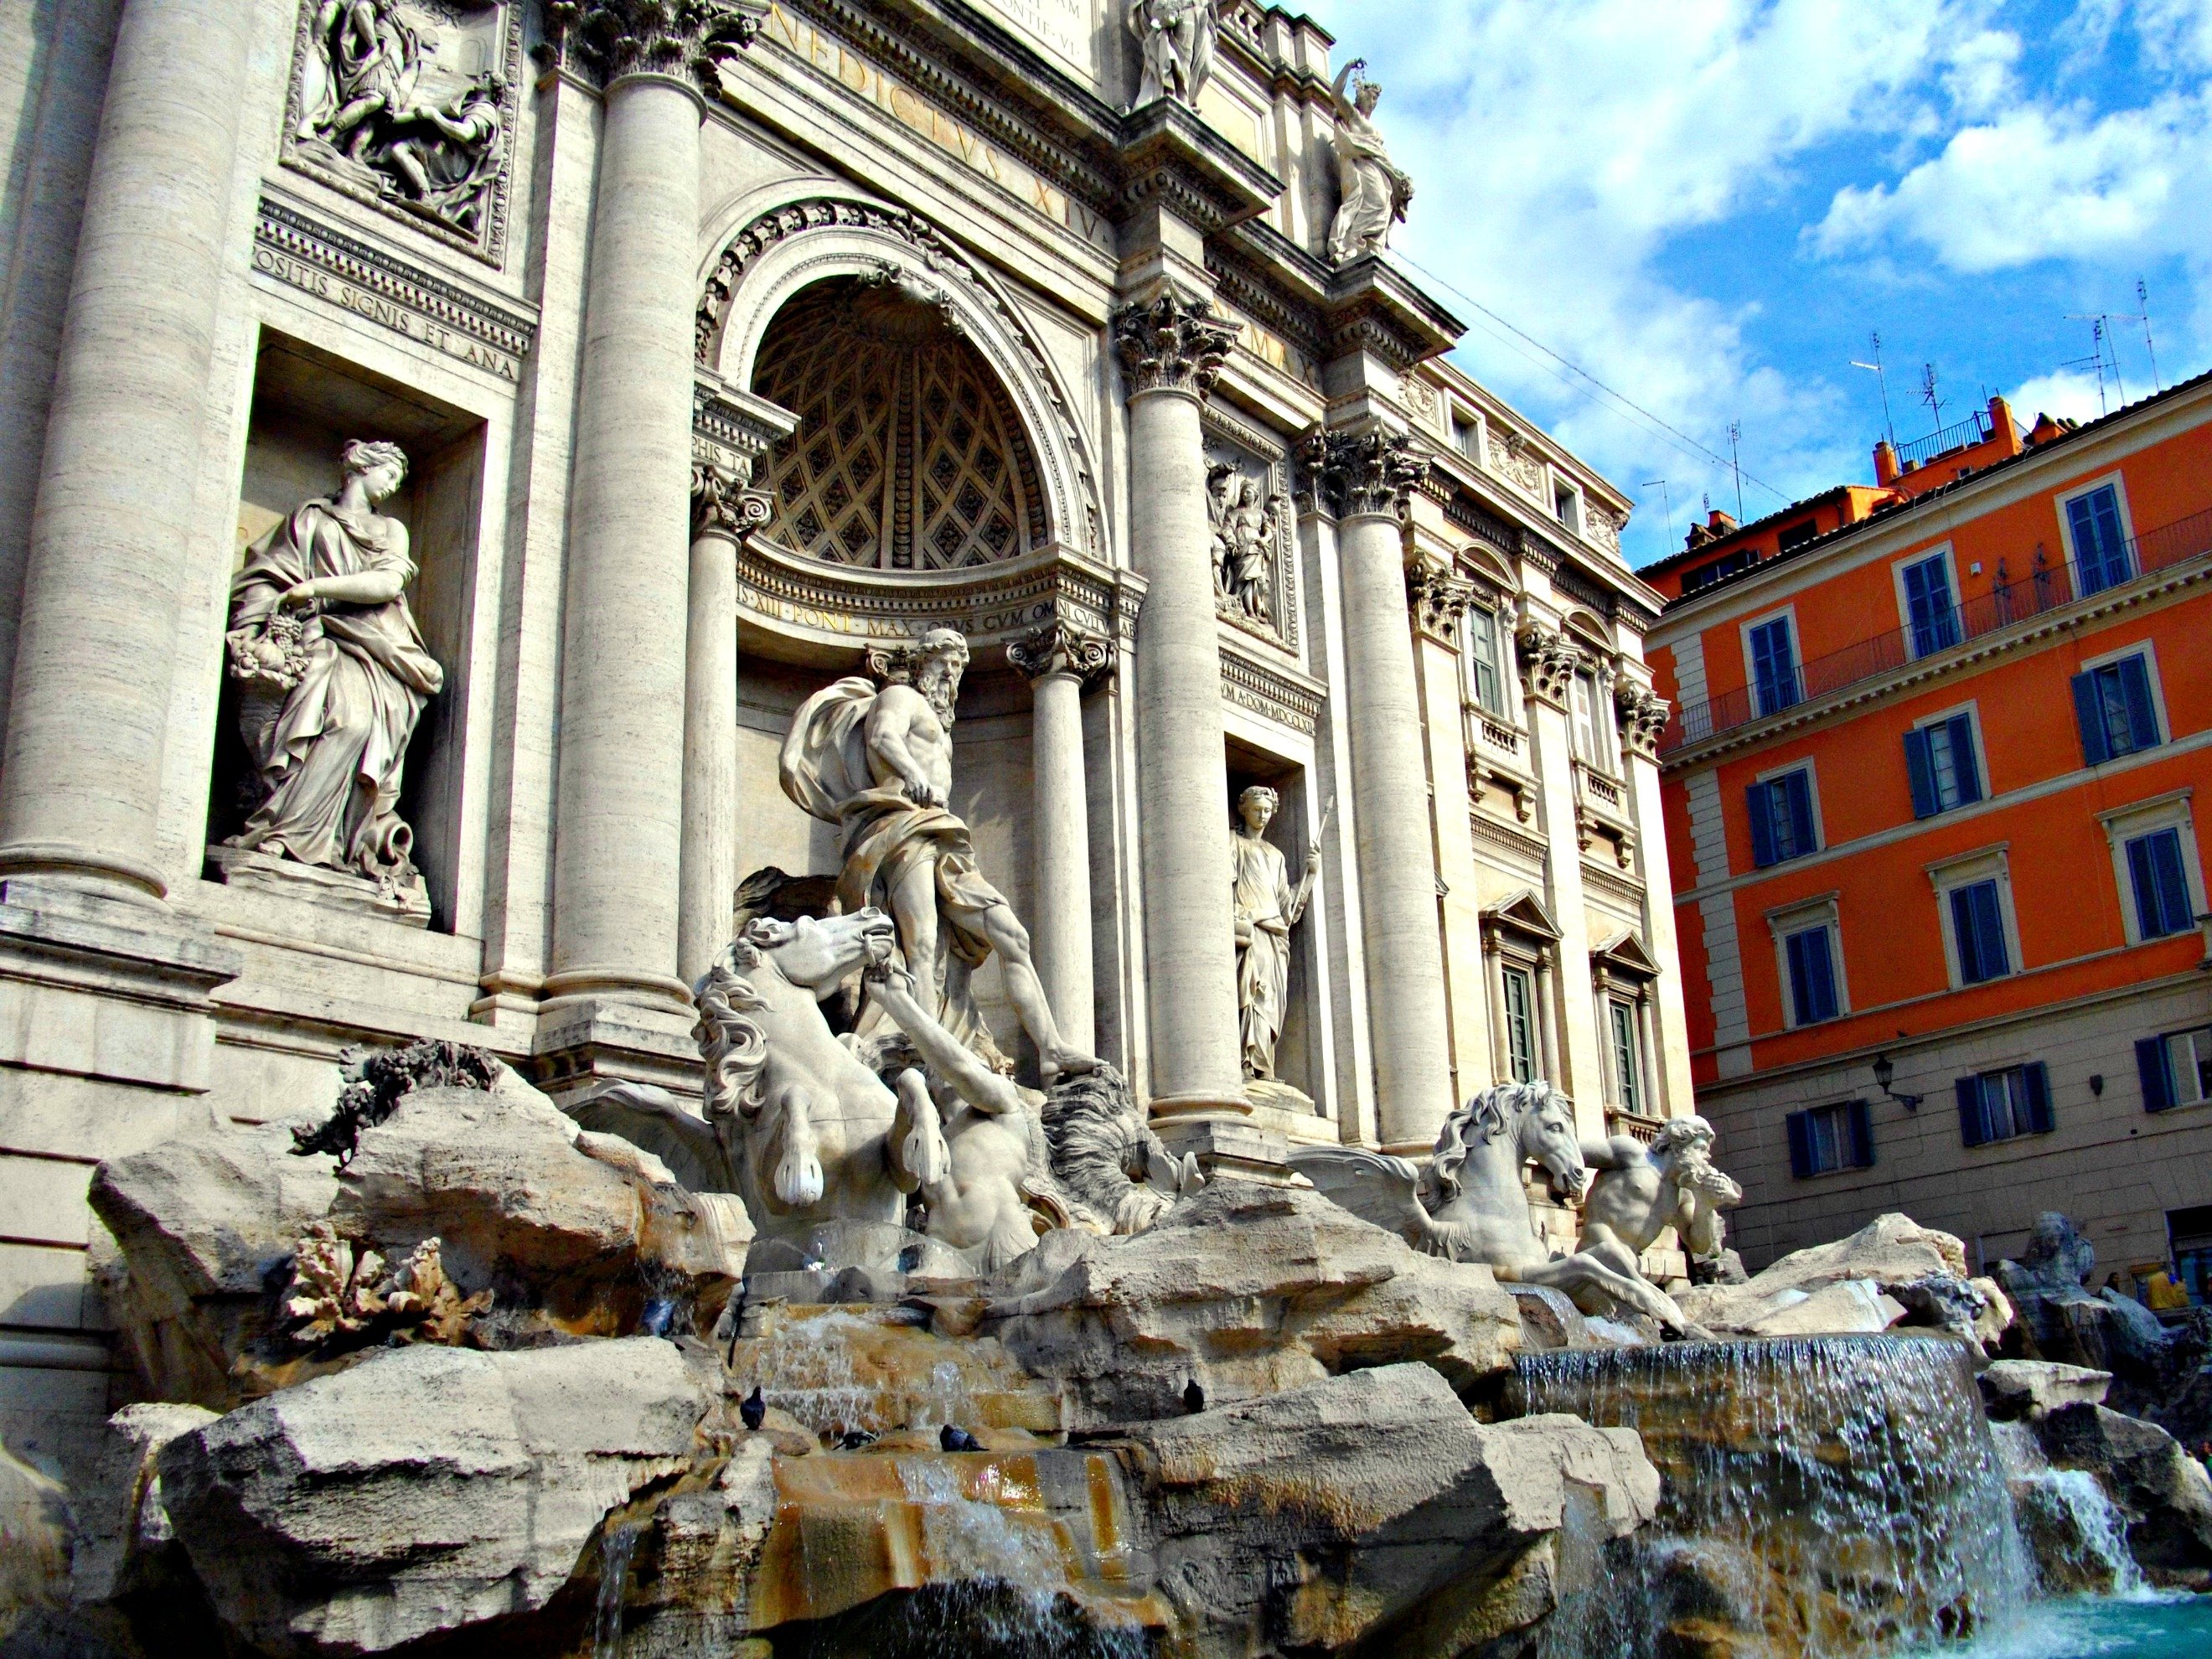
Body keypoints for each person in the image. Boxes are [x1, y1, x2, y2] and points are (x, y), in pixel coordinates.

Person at [781, 628, 1097, 1079]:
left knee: (1010, 932)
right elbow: (882, 739)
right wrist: (911, 774)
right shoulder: (900, 698)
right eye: (943, 663)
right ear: (921, 663)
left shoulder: (938, 722)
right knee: (921, 944)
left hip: (942, 835)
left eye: (957, 667)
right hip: (903, 826)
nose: (951, 674)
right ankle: (928, 1052)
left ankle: (1051, 1048)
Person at [225, 440, 442, 887]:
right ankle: (285, 832)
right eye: (390, 473)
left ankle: (324, 841)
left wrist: (315, 588)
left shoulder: (392, 531)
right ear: (362, 468)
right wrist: (265, 617)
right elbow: (269, 574)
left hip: (376, 645)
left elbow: (386, 582)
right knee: (315, 715)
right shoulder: (309, 519)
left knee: (355, 725)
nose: (395, 483)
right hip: (314, 636)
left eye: (401, 478)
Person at [1230, 785, 1317, 1081]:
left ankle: (1263, 1065)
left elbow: (1287, 907)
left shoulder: (1276, 855)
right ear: (1244, 809)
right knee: (1250, 995)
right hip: (1251, 930)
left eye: (1267, 810)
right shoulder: (1235, 843)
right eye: (1257, 809)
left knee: (1269, 1003)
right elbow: (1224, 884)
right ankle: (1244, 1061)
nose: (1263, 816)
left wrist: (1310, 875)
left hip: (1274, 936)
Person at [1325, 58, 1412, 263]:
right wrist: (1347, 68)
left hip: (1379, 168)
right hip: (1364, 167)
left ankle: (1367, 244)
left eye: (1376, 99)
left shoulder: (1372, 127)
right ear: (1361, 95)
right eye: (1371, 97)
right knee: (1376, 201)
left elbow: (1379, 154)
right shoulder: (1353, 116)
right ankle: (1354, 241)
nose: (1373, 102)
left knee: (1383, 204)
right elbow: (1335, 94)